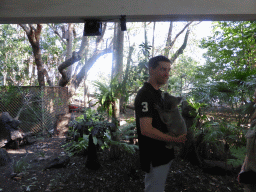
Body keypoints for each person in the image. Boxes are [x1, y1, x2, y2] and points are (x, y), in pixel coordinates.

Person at [135, 55, 187, 192]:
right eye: (163, 69)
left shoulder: (159, 94)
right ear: (151, 70)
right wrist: (174, 139)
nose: (167, 74)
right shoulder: (145, 94)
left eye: (169, 70)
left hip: (165, 154)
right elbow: (146, 129)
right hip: (154, 155)